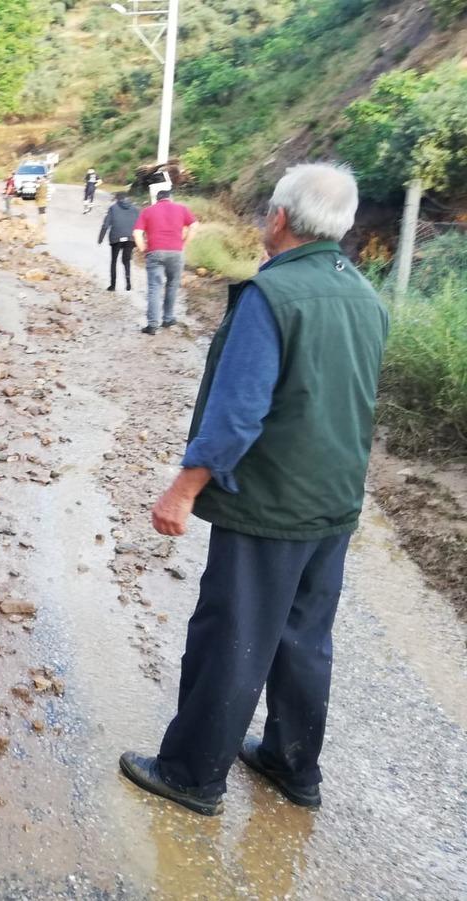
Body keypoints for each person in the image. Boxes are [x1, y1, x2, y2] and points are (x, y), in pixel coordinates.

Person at [119, 163, 389, 817]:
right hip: (336, 500)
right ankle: (293, 765)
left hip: (271, 504)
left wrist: (182, 489)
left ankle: (192, 773)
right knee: (304, 638)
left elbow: (238, 413)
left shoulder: (271, 296)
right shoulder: (365, 295)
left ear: (279, 219)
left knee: (233, 634)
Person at [133, 188, 196, 334]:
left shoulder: (148, 211)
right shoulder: (182, 209)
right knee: (172, 285)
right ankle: (167, 318)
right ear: (171, 198)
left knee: (155, 288)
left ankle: (153, 325)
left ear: (157, 199)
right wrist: (184, 243)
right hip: (176, 252)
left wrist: (143, 248)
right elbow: (194, 226)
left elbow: (137, 233)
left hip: (155, 252)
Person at [98, 192, 138, 292]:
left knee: (114, 261)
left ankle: (113, 285)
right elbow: (139, 225)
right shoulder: (135, 209)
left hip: (116, 237)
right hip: (130, 238)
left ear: (117, 199)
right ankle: (128, 283)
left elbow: (106, 224)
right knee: (126, 260)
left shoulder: (113, 208)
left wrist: (101, 238)